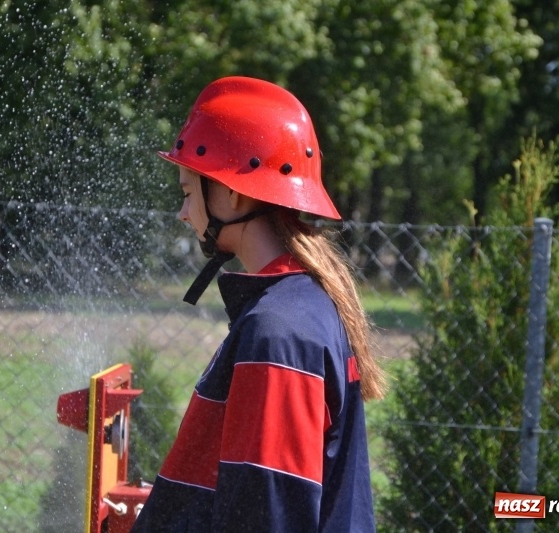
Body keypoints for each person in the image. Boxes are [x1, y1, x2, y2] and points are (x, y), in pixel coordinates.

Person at [131, 76, 386, 532]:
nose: (183, 213)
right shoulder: (300, 307)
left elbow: (268, 514)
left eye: (188, 193)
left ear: (233, 194)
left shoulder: (278, 331)